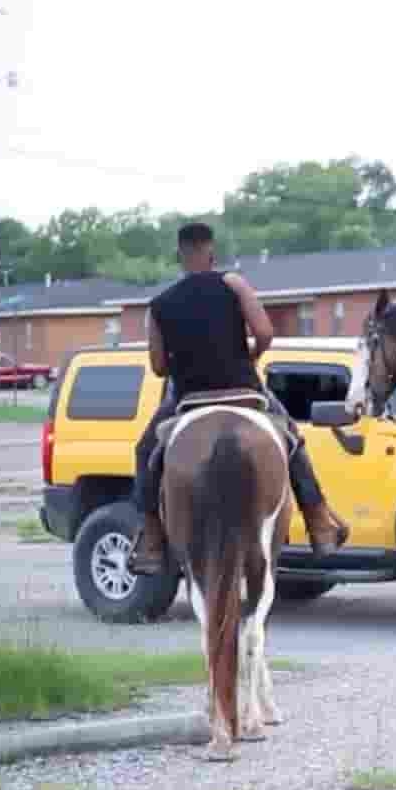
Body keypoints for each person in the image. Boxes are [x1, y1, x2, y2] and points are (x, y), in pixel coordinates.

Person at [127, 222, 350, 574]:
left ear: (180, 256)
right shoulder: (233, 284)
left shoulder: (159, 304)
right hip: (243, 391)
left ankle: (152, 540)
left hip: (190, 398)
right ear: (211, 252)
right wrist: (251, 355)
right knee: (292, 439)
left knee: (144, 453)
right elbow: (264, 332)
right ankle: (319, 523)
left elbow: (157, 367)